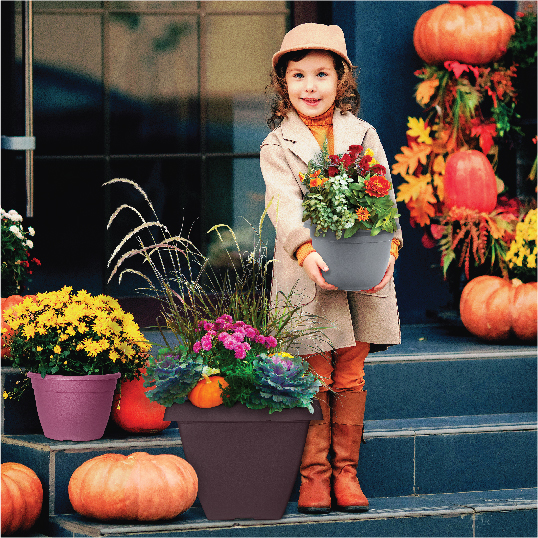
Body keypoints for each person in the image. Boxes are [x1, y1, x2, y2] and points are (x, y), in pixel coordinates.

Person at [260, 23, 402, 514]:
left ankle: (347, 473)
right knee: (315, 370)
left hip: (364, 271)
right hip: (310, 276)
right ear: (284, 85)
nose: (310, 86)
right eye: (298, 76)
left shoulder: (363, 135)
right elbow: (284, 207)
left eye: (322, 74)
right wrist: (304, 249)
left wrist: (389, 251)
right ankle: (314, 476)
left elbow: (383, 196)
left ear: (342, 79)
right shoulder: (279, 146)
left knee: (351, 372)